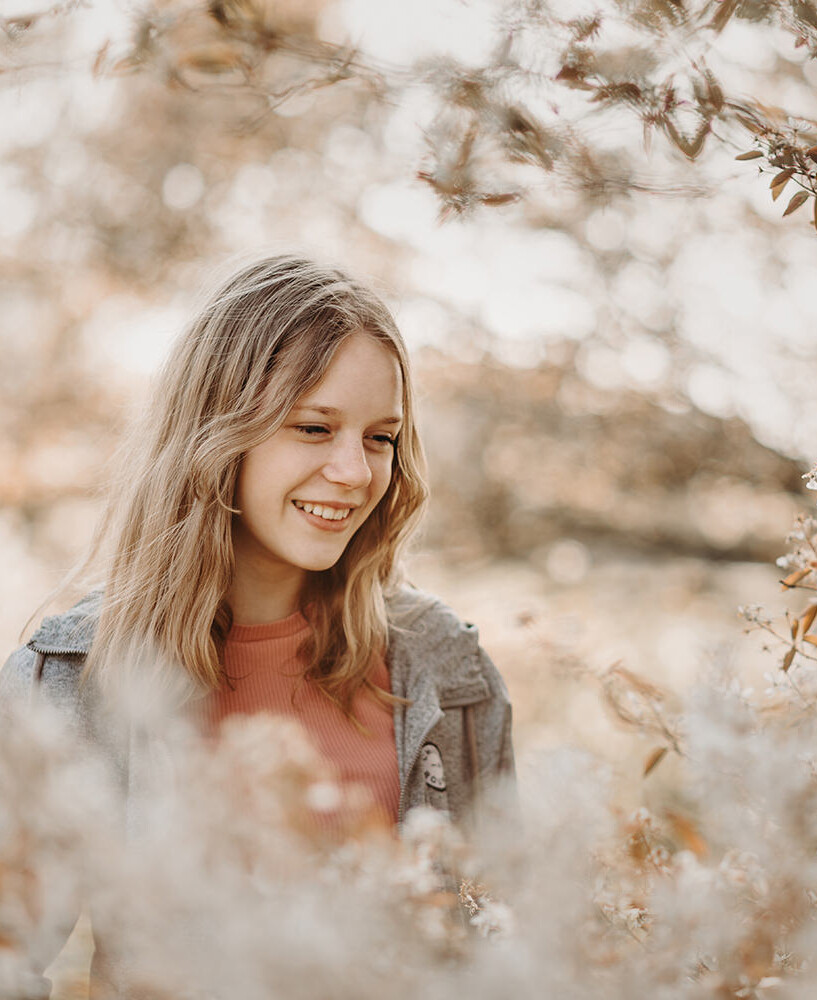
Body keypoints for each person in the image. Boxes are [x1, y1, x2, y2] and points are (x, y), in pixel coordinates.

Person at [0, 253, 515, 992]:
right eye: (314, 428)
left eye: (380, 437)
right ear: (220, 430)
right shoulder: (71, 679)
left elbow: (507, 943)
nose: (357, 472)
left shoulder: (446, 669)